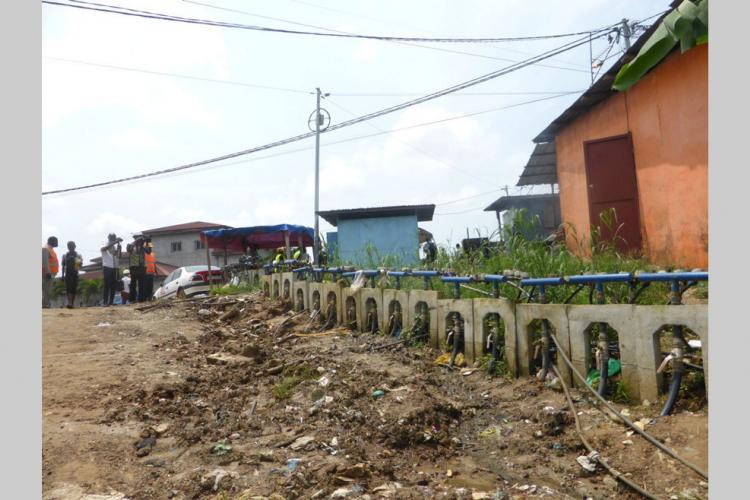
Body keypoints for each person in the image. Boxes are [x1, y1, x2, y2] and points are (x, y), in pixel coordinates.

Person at [101, 233, 122, 306]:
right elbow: (103, 249)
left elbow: (118, 256)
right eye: (112, 238)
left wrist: (119, 247)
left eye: (114, 237)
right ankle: (105, 302)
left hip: (114, 268)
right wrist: (115, 242)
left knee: (113, 285)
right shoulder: (105, 243)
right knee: (106, 285)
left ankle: (111, 301)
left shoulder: (114, 247)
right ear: (109, 238)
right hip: (107, 266)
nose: (113, 238)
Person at [61, 241, 82, 309]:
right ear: (68, 247)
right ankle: (69, 302)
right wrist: (62, 276)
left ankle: (72, 303)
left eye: (72, 245)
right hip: (68, 273)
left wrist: (78, 261)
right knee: (69, 288)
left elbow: (78, 267)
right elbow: (63, 266)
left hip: (75, 273)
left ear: (75, 246)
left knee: (74, 288)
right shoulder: (64, 255)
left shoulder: (78, 255)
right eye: (69, 246)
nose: (71, 247)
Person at [42, 236, 59, 309]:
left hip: (51, 273)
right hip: (47, 273)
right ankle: (45, 304)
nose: (57, 243)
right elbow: (45, 261)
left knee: (48, 290)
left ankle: (46, 304)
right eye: (56, 241)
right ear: (51, 241)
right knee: (46, 290)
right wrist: (48, 272)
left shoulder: (51, 249)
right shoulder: (45, 249)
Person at [128, 237, 146, 302]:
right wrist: (136, 242)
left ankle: (141, 299)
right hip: (133, 267)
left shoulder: (143, 247)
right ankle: (132, 299)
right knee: (133, 283)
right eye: (140, 241)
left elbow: (149, 251)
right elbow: (128, 249)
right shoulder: (131, 246)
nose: (141, 242)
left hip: (141, 267)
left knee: (141, 284)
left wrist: (148, 242)